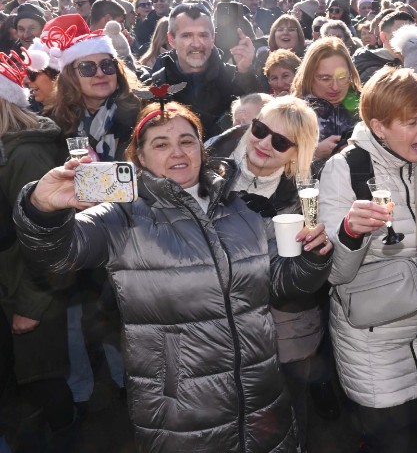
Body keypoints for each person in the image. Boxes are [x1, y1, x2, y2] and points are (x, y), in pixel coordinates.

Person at [13, 101, 334, 452]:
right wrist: (41, 210)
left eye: (187, 140)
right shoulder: (123, 216)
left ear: (202, 148)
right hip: (181, 407)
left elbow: (283, 284)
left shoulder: (240, 209)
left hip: (261, 396)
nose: (177, 152)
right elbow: (58, 257)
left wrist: (313, 257)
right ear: (140, 158)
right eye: (161, 144)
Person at [318, 66, 417, 453]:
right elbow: (335, 274)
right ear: (378, 126)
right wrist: (350, 232)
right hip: (373, 350)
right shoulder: (346, 170)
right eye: (411, 122)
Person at [206, 96, 329, 451]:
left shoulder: (306, 196)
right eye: (260, 130)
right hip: (216, 330)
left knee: (283, 427)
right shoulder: (207, 165)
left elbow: (298, 280)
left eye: (280, 142)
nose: (263, 143)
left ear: (297, 152)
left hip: (283, 334)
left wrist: (313, 247)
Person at [0, 50, 74, 449]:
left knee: (41, 396)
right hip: (13, 293)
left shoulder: (25, 153)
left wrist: (30, 305)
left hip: (27, 296)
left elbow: (53, 235)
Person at [29, 14, 141, 161]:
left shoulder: (140, 114)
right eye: (87, 68)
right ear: (70, 77)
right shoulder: (54, 126)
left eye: (107, 65)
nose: (100, 74)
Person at [147, 2, 260, 138]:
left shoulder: (234, 77)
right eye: (187, 35)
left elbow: (261, 120)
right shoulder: (157, 85)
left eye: (203, 35)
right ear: (171, 39)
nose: (196, 44)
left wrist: (245, 72)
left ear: (213, 38)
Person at [291, 37, 361, 165]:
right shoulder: (291, 114)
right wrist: (314, 154)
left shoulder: (366, 108)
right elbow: (273, 168)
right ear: (309, 77)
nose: (335, 87)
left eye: (342, 77)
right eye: (325, 78)